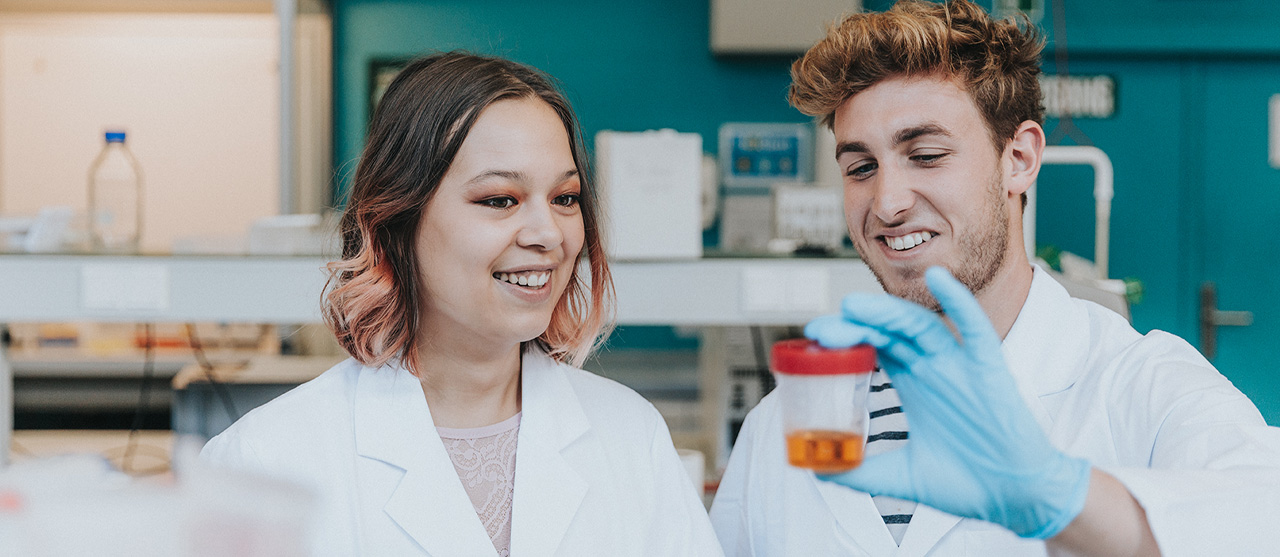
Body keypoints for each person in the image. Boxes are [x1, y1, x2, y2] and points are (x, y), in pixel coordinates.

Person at [708, 1, 1280, 555]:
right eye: (861, 168)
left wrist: (1061, 496)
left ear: (1020, 158)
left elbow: (1261, 517)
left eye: (926, 155)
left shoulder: (1139, 386)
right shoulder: (785, 423)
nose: (887, 202)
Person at [202, 52, 722, 556]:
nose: (549, 234)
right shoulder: (266, 462)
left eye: (565, 198)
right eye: (500, 200)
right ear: (397, 220)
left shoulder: (631, 436)